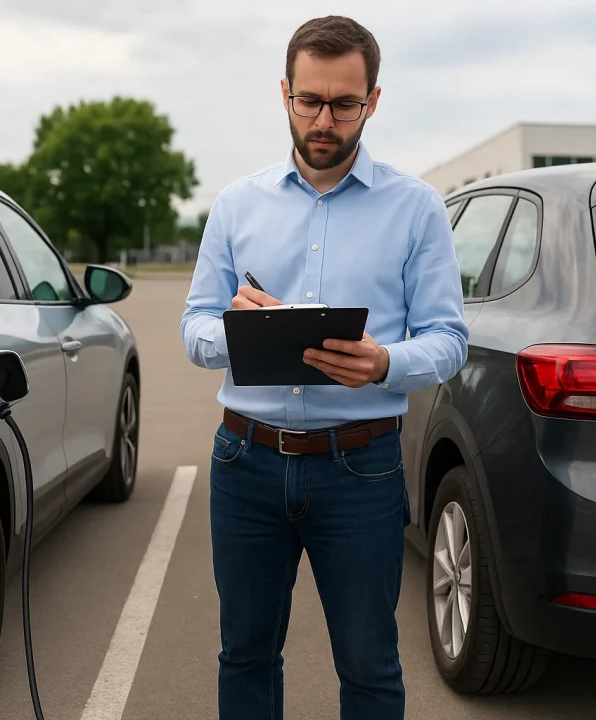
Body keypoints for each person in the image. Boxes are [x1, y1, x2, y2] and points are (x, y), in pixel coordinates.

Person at [179, 14, 469, 720]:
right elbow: (193, 331)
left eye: (344, 104)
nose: (324, 120)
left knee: (369, 665)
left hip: (360, 470)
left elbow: (449, 339)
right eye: (309, 100)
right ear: (284, 92)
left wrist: (382, 364)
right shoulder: (237, 204)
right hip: (244, 460)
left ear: (373, 100)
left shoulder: (416, 208)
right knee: (244, 654)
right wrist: (234, 331)